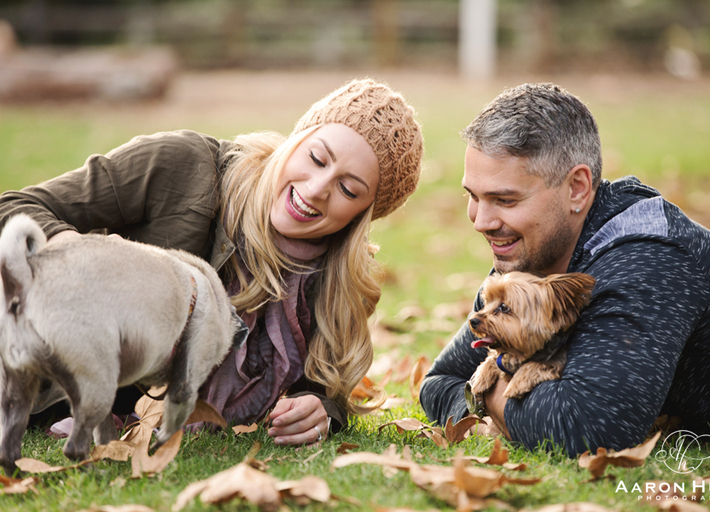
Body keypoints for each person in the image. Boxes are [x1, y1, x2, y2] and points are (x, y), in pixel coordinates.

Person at [0, 78, 423, 445]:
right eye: (316, 158)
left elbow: (322, 384)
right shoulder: (182, 165)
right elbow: (15, 207)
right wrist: (81, 255)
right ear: (297, 138)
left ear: (363, 216)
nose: (315, 190)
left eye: (348, 189)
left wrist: (321, 410)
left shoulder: (331, 281)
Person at [420, 82, 710, 456]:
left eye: (504, 200)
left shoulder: (645, 260)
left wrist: (489, 396)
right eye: (473, 196)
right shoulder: (528, 263)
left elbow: (589, 430)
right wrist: (494, 406)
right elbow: (439, 381)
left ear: (577, 188)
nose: (481, 221)